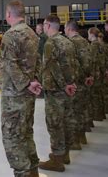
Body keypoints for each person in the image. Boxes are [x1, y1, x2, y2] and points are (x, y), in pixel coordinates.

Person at [0, 0, 41, 177]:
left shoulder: (11, 35)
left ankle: (24, 173)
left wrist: (25, 83)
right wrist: (34, 81)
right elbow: (38, 61)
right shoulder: (32, 33)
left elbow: (10, 65)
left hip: (14, 96)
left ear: (9, 14)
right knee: (26, 133)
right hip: (28, 94)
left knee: (12, 137)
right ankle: (33, 171)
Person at [38, 15, 77, 172]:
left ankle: (57, 159)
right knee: (67, 121)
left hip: (55, 90)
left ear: (47, 26)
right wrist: (70, 83)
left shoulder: (50, 43)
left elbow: (53, 68)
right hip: (67, 89)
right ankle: (65, 154)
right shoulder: (68, 42)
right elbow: (71, 66)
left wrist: (64, 85)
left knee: (55, 124)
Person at [65, 20, 91, 146]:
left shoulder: (71, 42)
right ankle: (82, 137)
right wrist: (88, 75)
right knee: (80, 109)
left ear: (69, 29)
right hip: (84, 79)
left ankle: (75, 142)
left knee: (72, 112)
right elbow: (87, 60)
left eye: (65, 28)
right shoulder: (84, 41)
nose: (64, 30)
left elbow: (70, 63)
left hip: (75, 80)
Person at [88, 28, 106, 122]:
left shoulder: (94, 45)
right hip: (100, 71)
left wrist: (91, 74)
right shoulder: (101, 44)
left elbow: (93, 60)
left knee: (94, 95)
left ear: (91, 34)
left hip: (96, 72)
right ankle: (101, 114)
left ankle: (96, 115)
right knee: (99, 94)